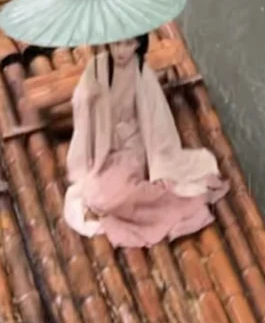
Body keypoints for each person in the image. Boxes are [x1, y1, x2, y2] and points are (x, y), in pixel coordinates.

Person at [64, 35, 228, 247]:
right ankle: (138, 205)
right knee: (92, 193)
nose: (121, 51)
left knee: (106, 197)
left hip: (132, 147)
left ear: (138, 45)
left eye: (128, 44)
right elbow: (81, 108)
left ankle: (176, 207)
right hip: (103, 148)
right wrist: (87, 98)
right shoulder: (95, 68)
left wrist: (160, 167)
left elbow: (156, 120)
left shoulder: (141, 72)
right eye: (116, 43)